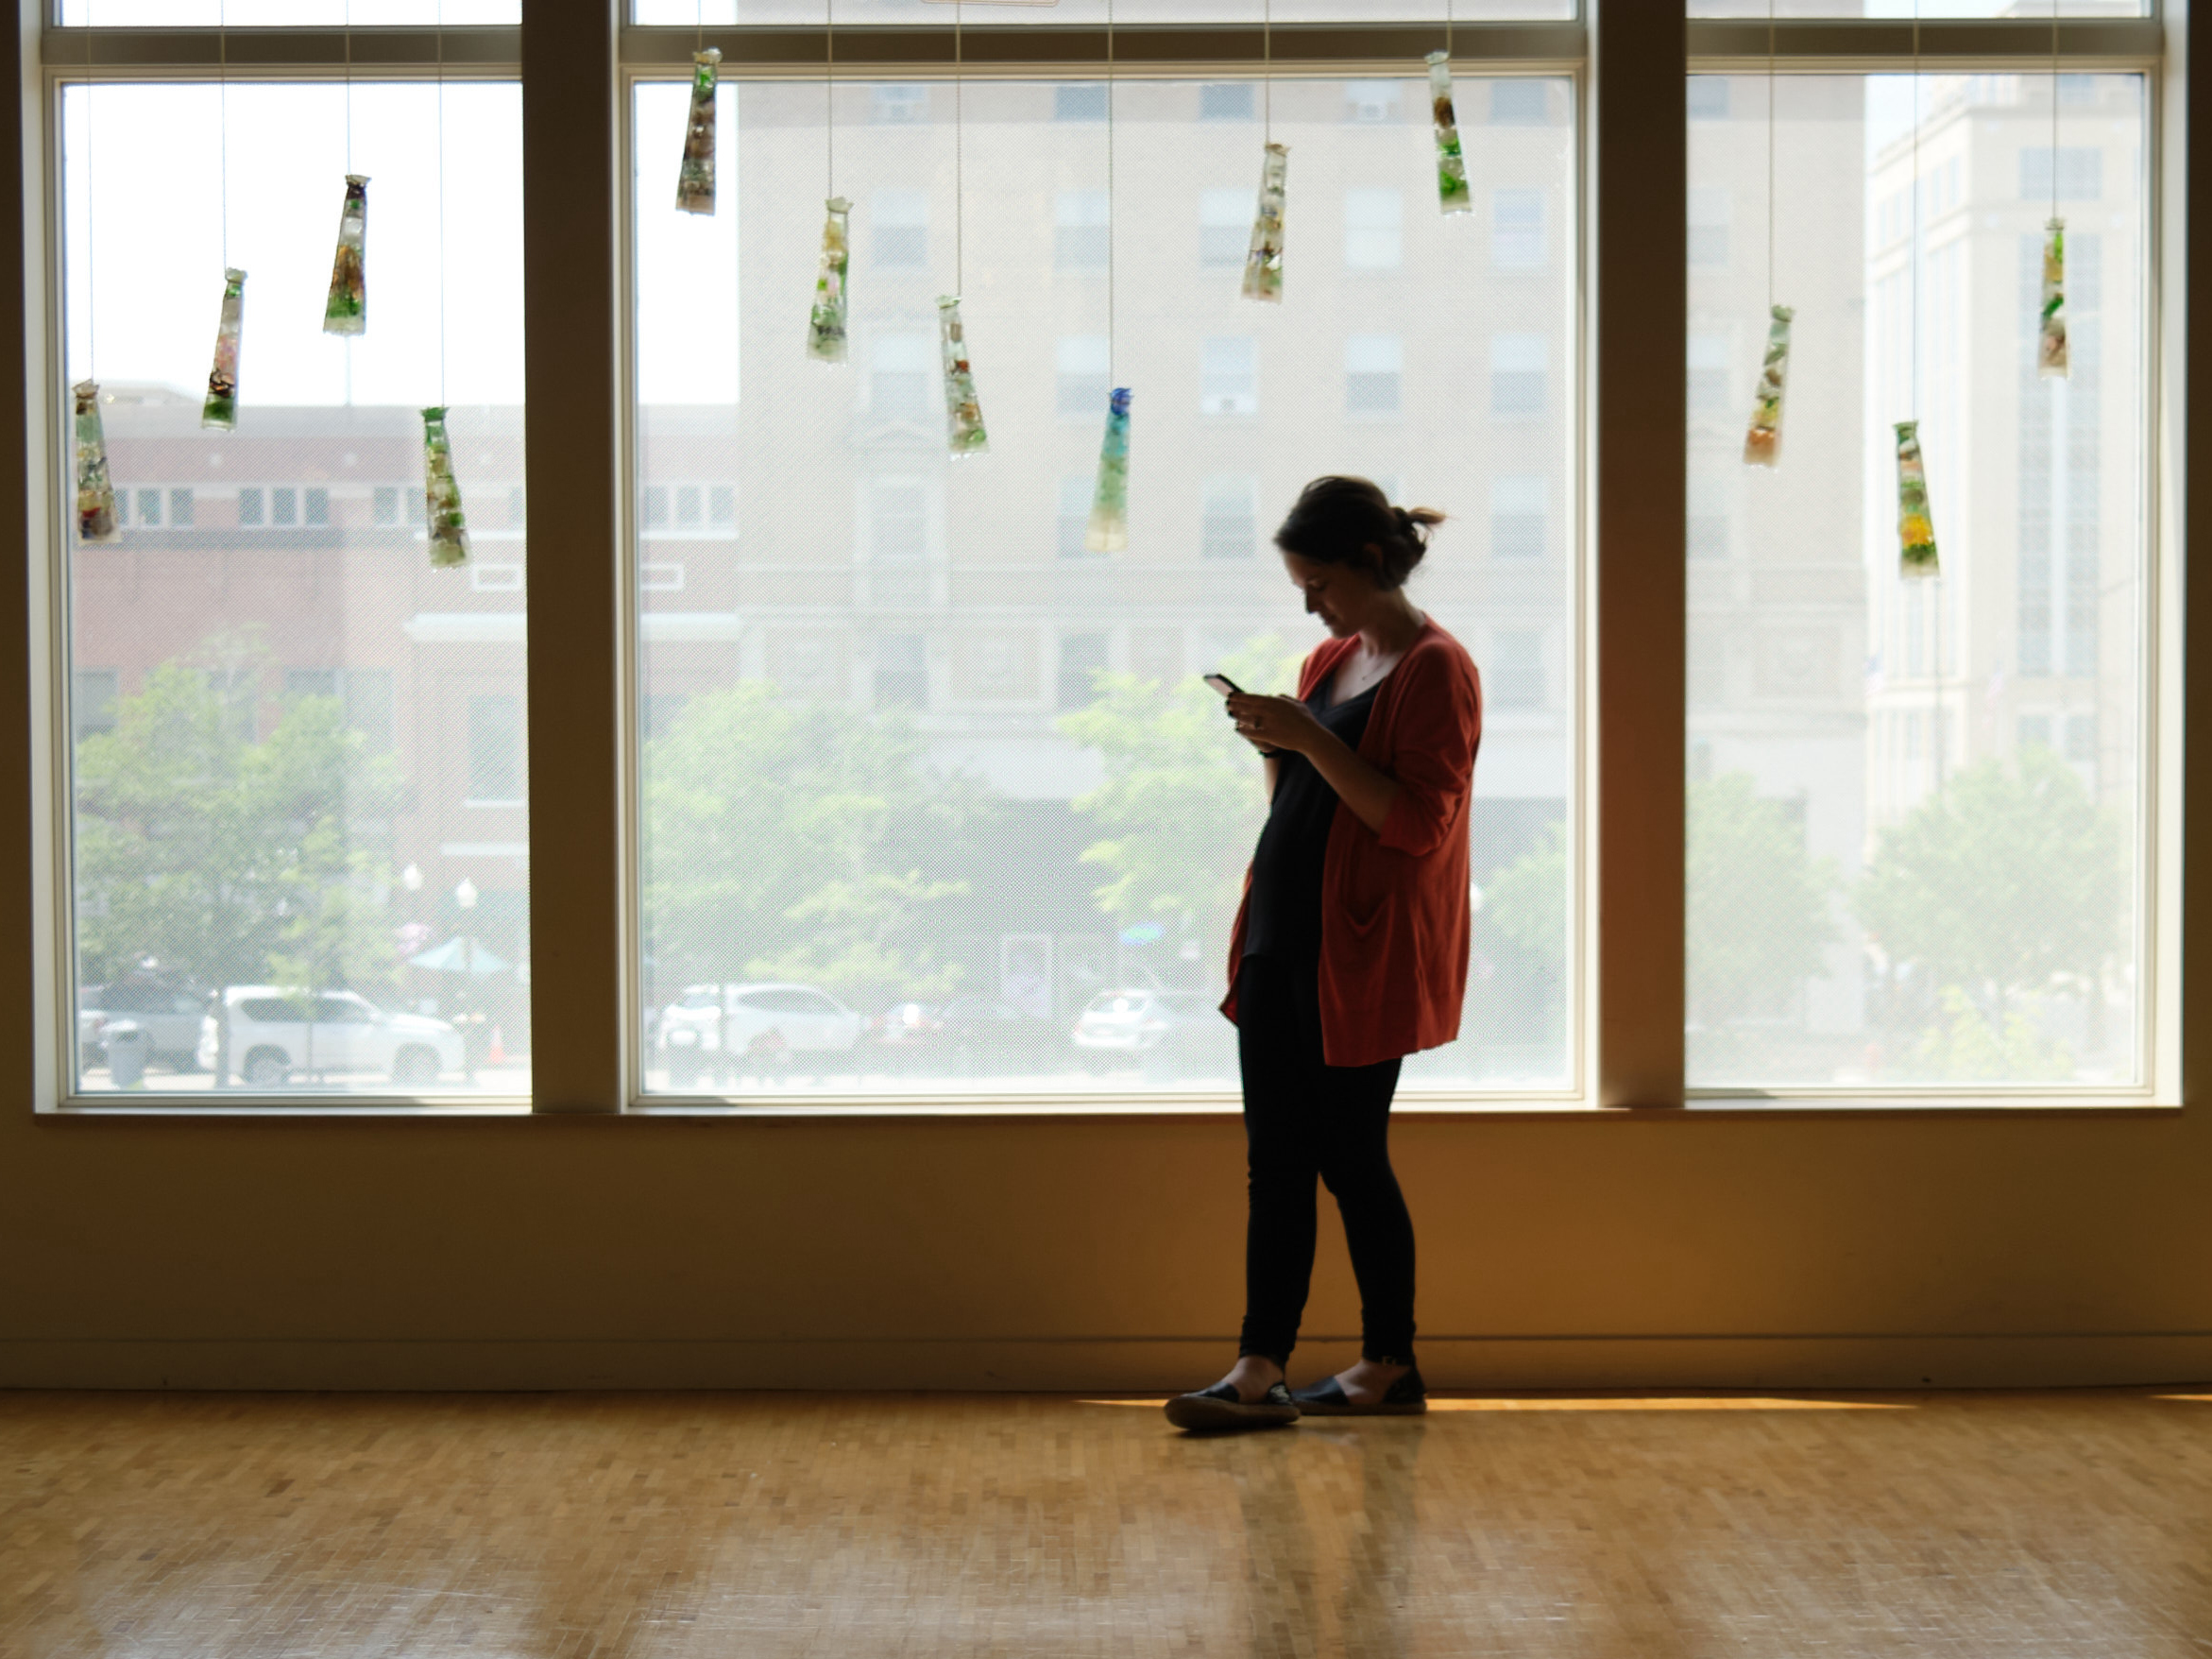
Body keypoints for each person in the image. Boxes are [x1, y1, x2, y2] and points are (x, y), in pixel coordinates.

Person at [1166, 476, 1482, 1432]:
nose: (1310, 603)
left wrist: (1308, 735)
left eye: (1320, 583)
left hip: (1358, 953)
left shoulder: (1436, 668)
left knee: (1348, 1157)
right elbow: (1303, 805)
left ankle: (1388, 1362)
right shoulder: (1325, 660)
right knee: (1276, 1161)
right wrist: (1279, 743)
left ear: (1371, 565)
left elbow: (1417, 822)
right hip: (1277, 937)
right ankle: (1257, 1365)